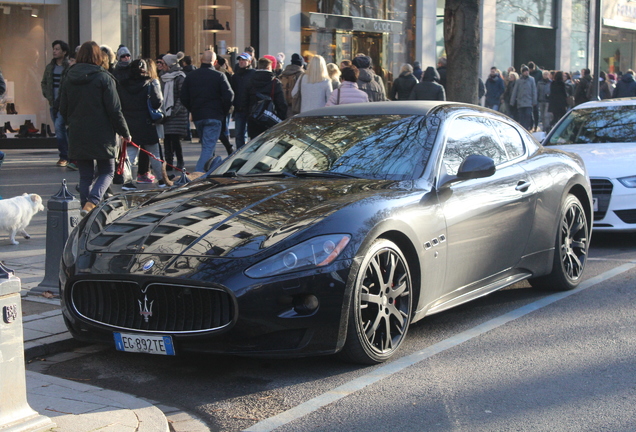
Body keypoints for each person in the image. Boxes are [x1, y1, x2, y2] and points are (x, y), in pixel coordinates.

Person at [59, 41, 130, 216]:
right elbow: (115, 110)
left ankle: (86, 208)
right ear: (98, 57)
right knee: (107, 171)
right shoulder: (104, 78)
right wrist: (125, 132)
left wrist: (73, 122)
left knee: (85, 176)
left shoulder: (69, 77)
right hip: (102, 133)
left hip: (78, 132)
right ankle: (92, 203)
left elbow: (62, 108)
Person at [117, 59, 171, 190]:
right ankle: (162, 179)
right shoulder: (149, 83)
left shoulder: (122, 84)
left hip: (129, 122)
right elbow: (157, 102)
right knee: (154, 153)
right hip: (146, 122)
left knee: (128, 154)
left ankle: (127, 181)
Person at [181, 50, 234, 173]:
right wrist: (223, 111)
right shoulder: (219, 76)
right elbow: (229, 95)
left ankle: (209, 171)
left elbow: (183, 97)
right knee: (208, 147)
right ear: (215, 62)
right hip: (214, 115)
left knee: (207, 146)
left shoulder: (191, 76)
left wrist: (192, 108)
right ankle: (199, 174)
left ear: (200, 60)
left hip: (199, 115)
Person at [41, 39, 71, 168]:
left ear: (64, 52)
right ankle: (69, 155)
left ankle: (64, 156)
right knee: (60, 130)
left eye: (57, 49)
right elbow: (44, 83)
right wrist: (48, 96)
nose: (54, 51)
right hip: (53, 103)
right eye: (54, 49)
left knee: (59, 127)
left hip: (64, 104)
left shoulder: (68, 67)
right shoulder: (50, 67)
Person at [240, 56, 287, 139]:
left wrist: (248, 114)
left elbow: (244, 100)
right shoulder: (275, 82)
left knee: (255, 144)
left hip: (253, 118)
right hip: (270, 118)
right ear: (269, 67)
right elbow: (281, 103)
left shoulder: (250, 80)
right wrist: (280, 118)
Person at [160, 52, 188, 173]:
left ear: (169, 64)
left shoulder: (180, 77)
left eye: (164, 63)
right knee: (167, 139)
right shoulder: (163, 76)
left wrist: (172, 111)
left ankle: (180, 162)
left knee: (175, 140)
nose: (162, 65)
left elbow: (182, 97)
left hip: (177, 115)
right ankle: (169, 163)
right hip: (166, 113)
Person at [230, 52, 255, 149]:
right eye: (240, 60)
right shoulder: (235, 76)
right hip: (239, 109)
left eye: (243, 60)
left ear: (249, 61)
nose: (241, 62)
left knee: (251, 134)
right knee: (239, 134)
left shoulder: (253, 74)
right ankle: (239, 153)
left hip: (250, 109)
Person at [214, 57, 234, 155]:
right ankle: (228, 146)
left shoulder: (221, 74)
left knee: (221, 129)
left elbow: (228, 92)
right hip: (224, 106)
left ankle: (228, 146)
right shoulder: (228, 73)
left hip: (220, 106)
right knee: (222, 128)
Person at [510, 65, 537, 131]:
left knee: (528, 115)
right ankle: (523, 128)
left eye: (527, 71)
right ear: (522, 72)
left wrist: (534, 101)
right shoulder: (518, 81)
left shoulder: (532, 79)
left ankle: (527, 128)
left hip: (529, 101)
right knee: (521, 116)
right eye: (525, 71)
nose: (526, 72)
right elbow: (515, 91)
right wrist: (512, 101)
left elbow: (534, 90)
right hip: (520, 101)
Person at [279, 53, 305, 117]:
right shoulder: (301, 75)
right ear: (301, 64)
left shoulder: (283, 74)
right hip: (296, 106)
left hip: (284, 104)